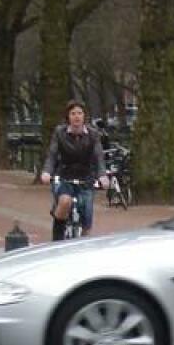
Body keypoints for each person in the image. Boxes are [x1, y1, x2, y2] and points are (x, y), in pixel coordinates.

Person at [40, 100, 109, 242]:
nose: (76, 117)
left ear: (84, 116)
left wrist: (102, 175)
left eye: (79, 113)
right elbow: (52, 155)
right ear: (68, 117)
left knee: (87, 221)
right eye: (73, 113)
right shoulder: (60, 133)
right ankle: (57, 240)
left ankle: (82, 248)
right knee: (65, 201)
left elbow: (98, 157)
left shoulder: (93, 134)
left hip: (85, 178)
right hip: (65, 176)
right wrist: (47, 172)